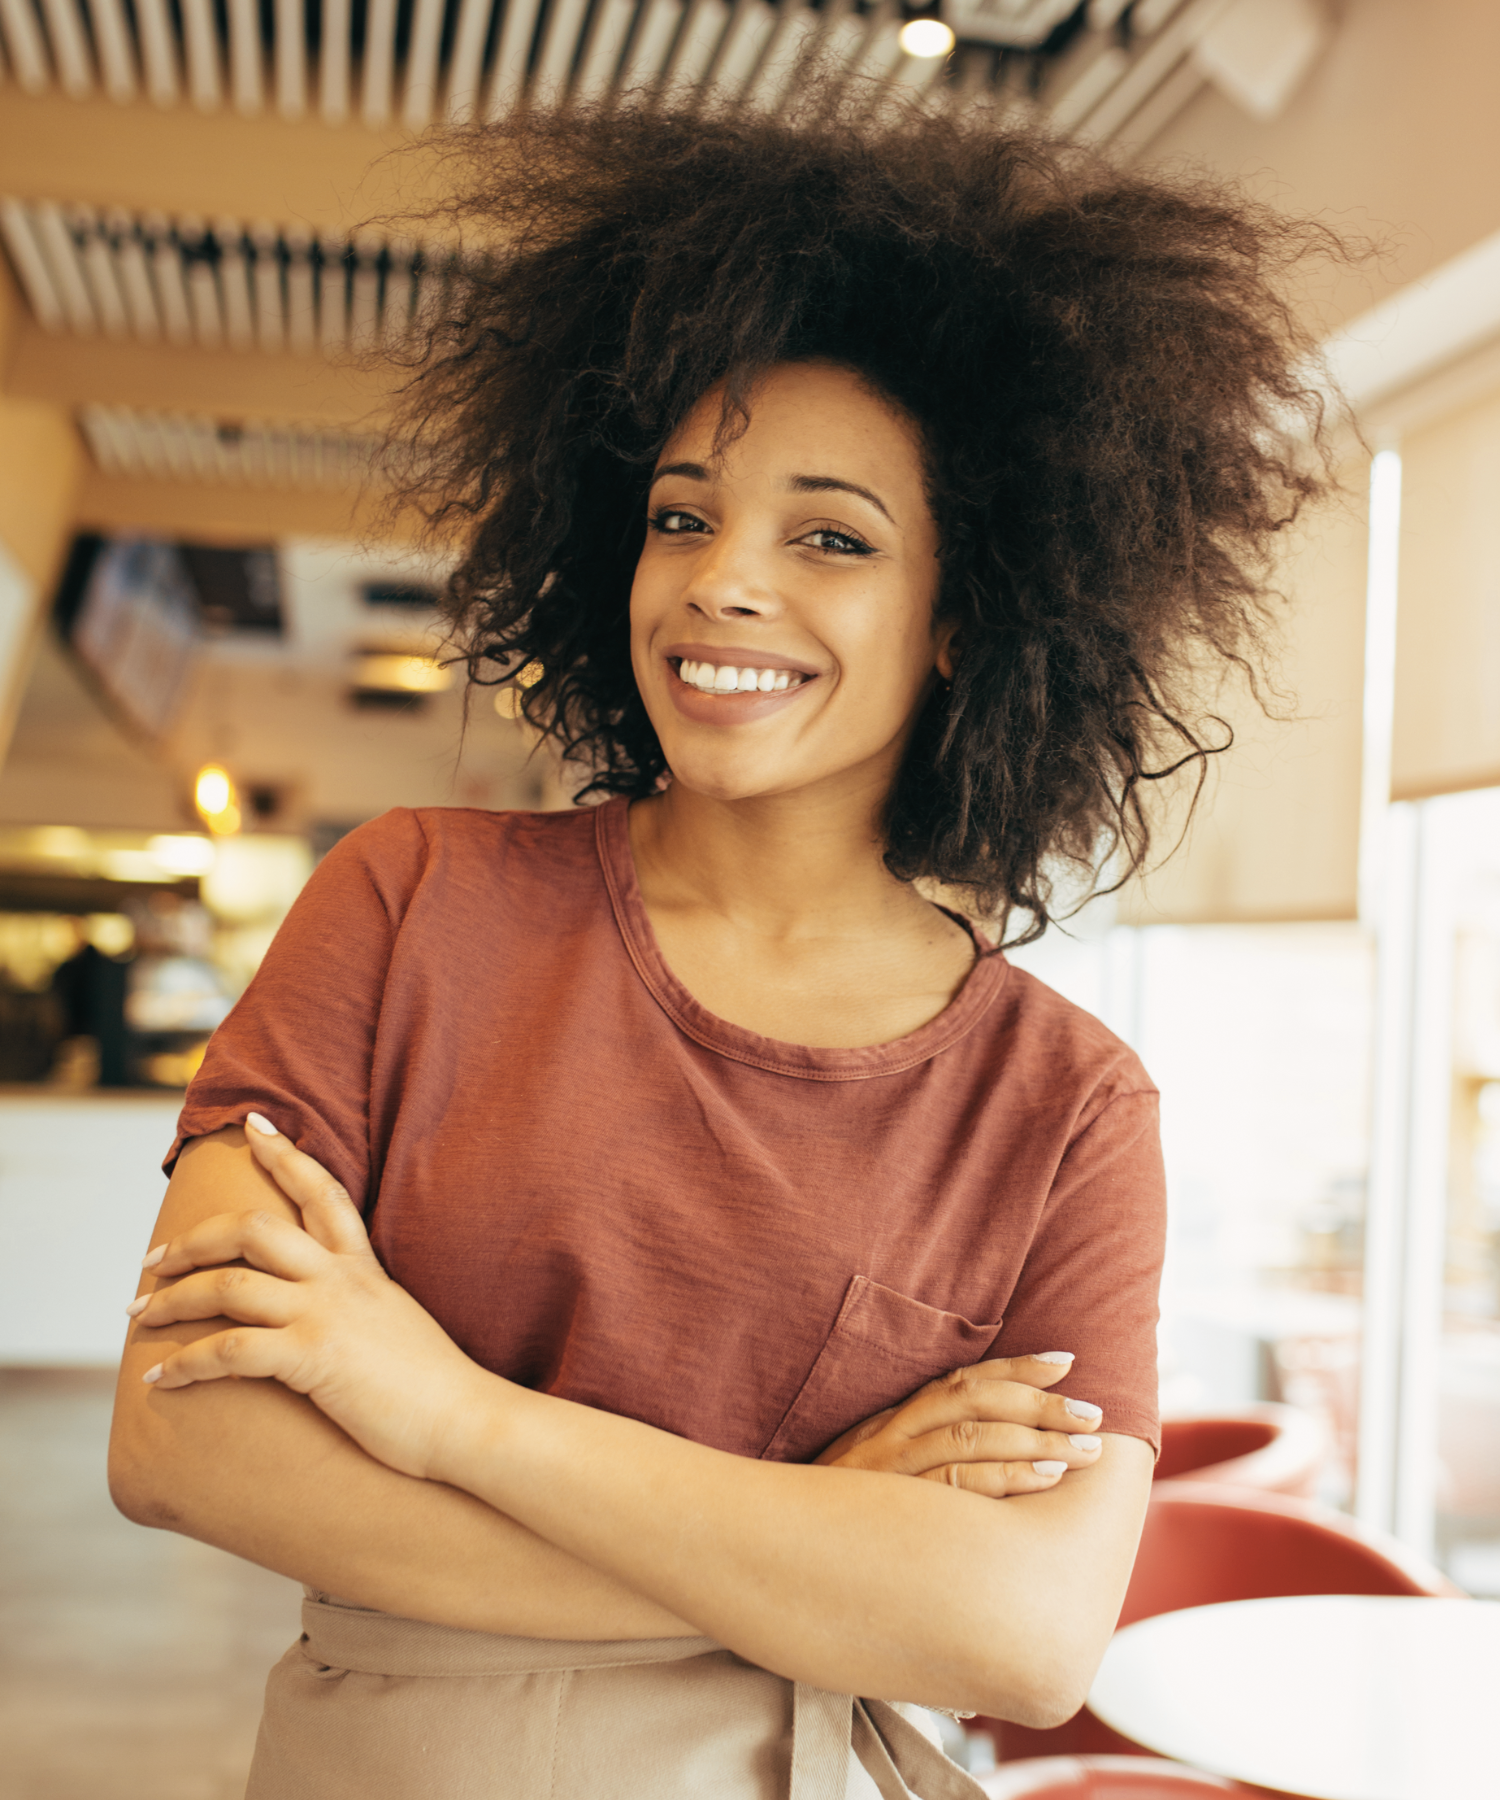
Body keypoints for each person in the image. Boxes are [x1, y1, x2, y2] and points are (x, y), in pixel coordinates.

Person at [107, 91, 1334, 1799]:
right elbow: (185, 1442)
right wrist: (830, 1530)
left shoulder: (1064, 1104)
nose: (722, 583)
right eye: (684, 516)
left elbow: (1025, 1640)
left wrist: (454, 1418)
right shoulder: (409, 904)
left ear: (969, 619)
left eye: (830, 537)